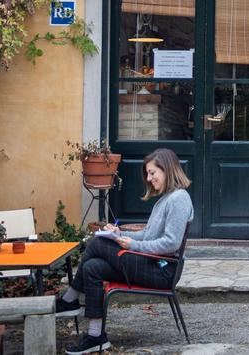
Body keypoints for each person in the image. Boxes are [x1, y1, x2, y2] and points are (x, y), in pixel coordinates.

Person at [58, 148, 193, 354]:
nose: (149, 179)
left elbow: (171, 243)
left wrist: (133, 246)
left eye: (152, 173)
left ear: (167, 169)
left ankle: (69, 299)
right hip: (151, 264)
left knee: (96, 244)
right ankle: (96, 336)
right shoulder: (165, 199)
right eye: (148, 174)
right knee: (93, 268)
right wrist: (119, 234)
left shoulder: (179, 199)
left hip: (162, 270)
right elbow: (149, 235)